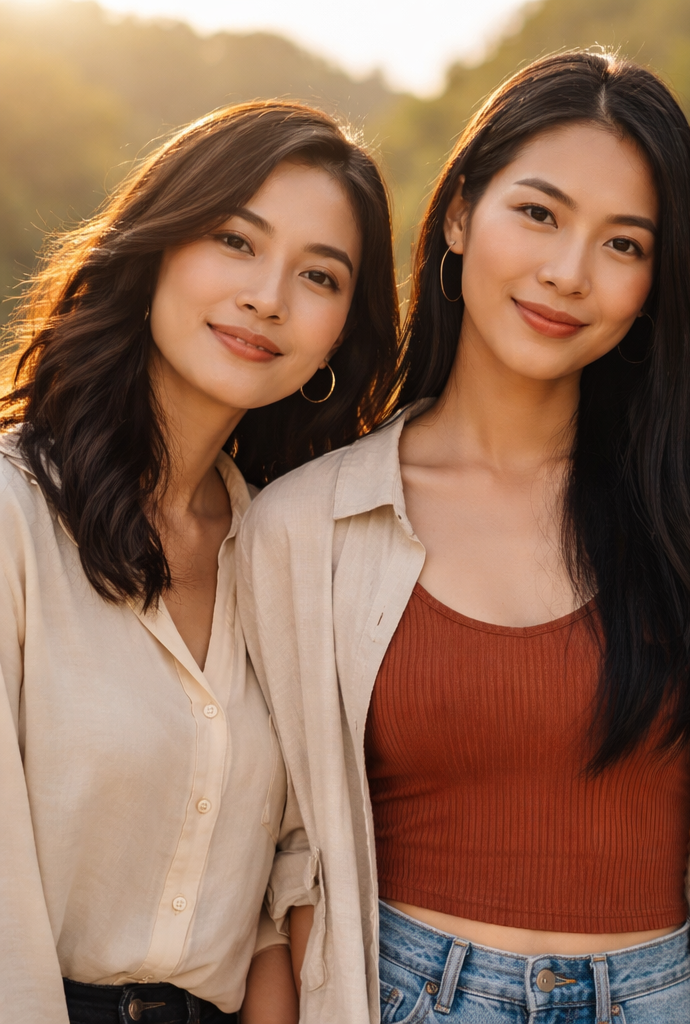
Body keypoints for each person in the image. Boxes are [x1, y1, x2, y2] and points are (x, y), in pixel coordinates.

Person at [237, 50, 690, 1024]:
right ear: (458, 214)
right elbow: (281, 854)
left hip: (662, 995)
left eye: (624, 244)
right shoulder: (306, 526)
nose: (568, 273)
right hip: (409, 993)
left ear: (657, 280)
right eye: (538, 213)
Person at [0, 101, 400, 1024]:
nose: (269, 297)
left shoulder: (289, 553)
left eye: (320, 275)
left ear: (342, 331)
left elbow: (279, 881)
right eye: (235, 240)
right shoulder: (15, 515)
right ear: (157, 249)